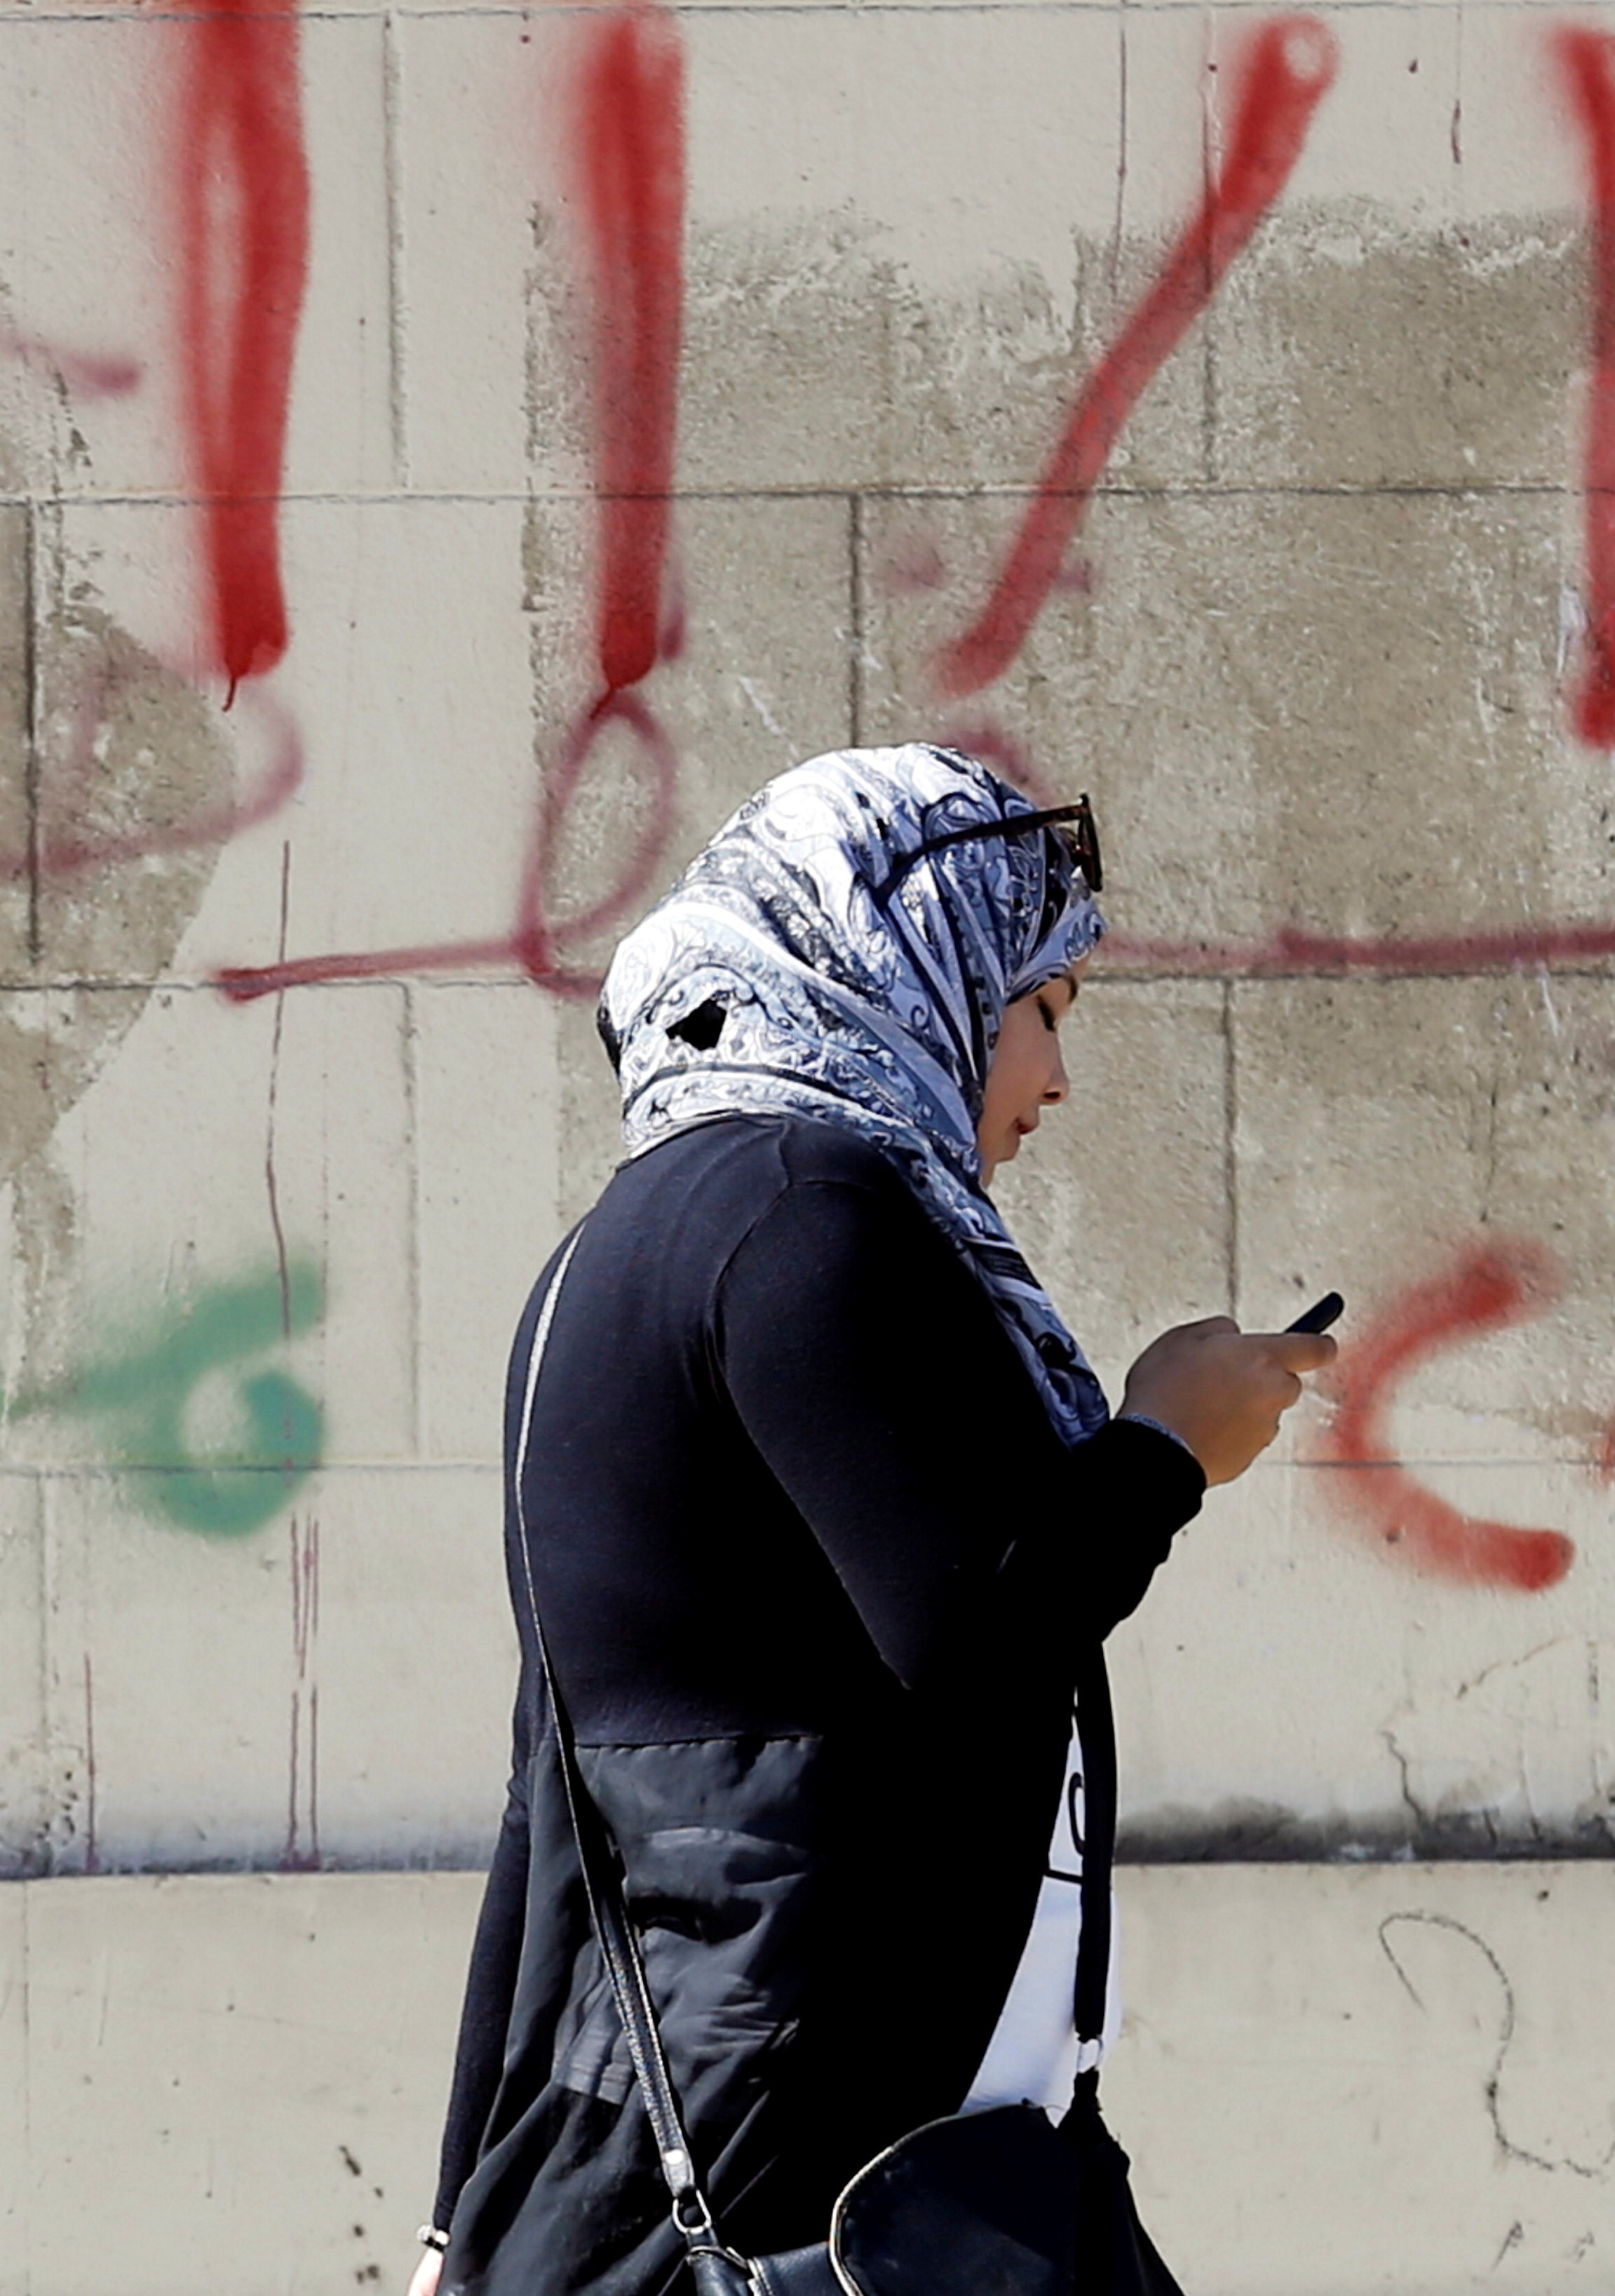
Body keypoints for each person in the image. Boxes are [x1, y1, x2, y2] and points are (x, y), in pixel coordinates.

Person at [412, 747, 1332, 2296]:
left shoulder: (603, 1257)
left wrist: (458, 2211)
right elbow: (984, 1625)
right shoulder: (811, 1211)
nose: (1056, 1077)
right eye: (1045, 1008)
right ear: (911, 966)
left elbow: (552, 1799)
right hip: (827, 2188)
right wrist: (1168, 1438)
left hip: (728, 2160)